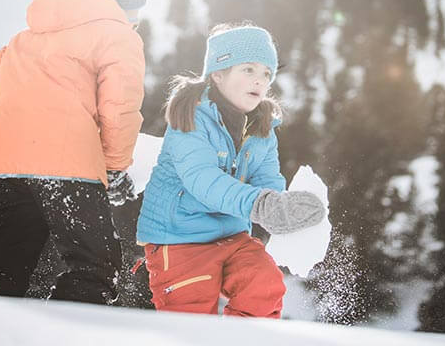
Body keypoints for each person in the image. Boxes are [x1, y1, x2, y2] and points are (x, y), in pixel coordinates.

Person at [0, 0, 147, 304]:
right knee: (94, 267)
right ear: (127, 5)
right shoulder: (118, 35)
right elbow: (119, 107)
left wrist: (26, 121)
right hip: (67, 167)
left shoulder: (26, 36)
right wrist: (113, 167)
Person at [135, 23, 325, 317]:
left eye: (266, 74)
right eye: (248, 69)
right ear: (218, 73)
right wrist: (260, 204)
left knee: (264, 284)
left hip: (232, 236)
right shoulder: (192, 118)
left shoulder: (262, 129)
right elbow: (203, 180)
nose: (259, 81)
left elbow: (267, 179)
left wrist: (282, 208)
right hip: (180, 237)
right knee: (190, 315)